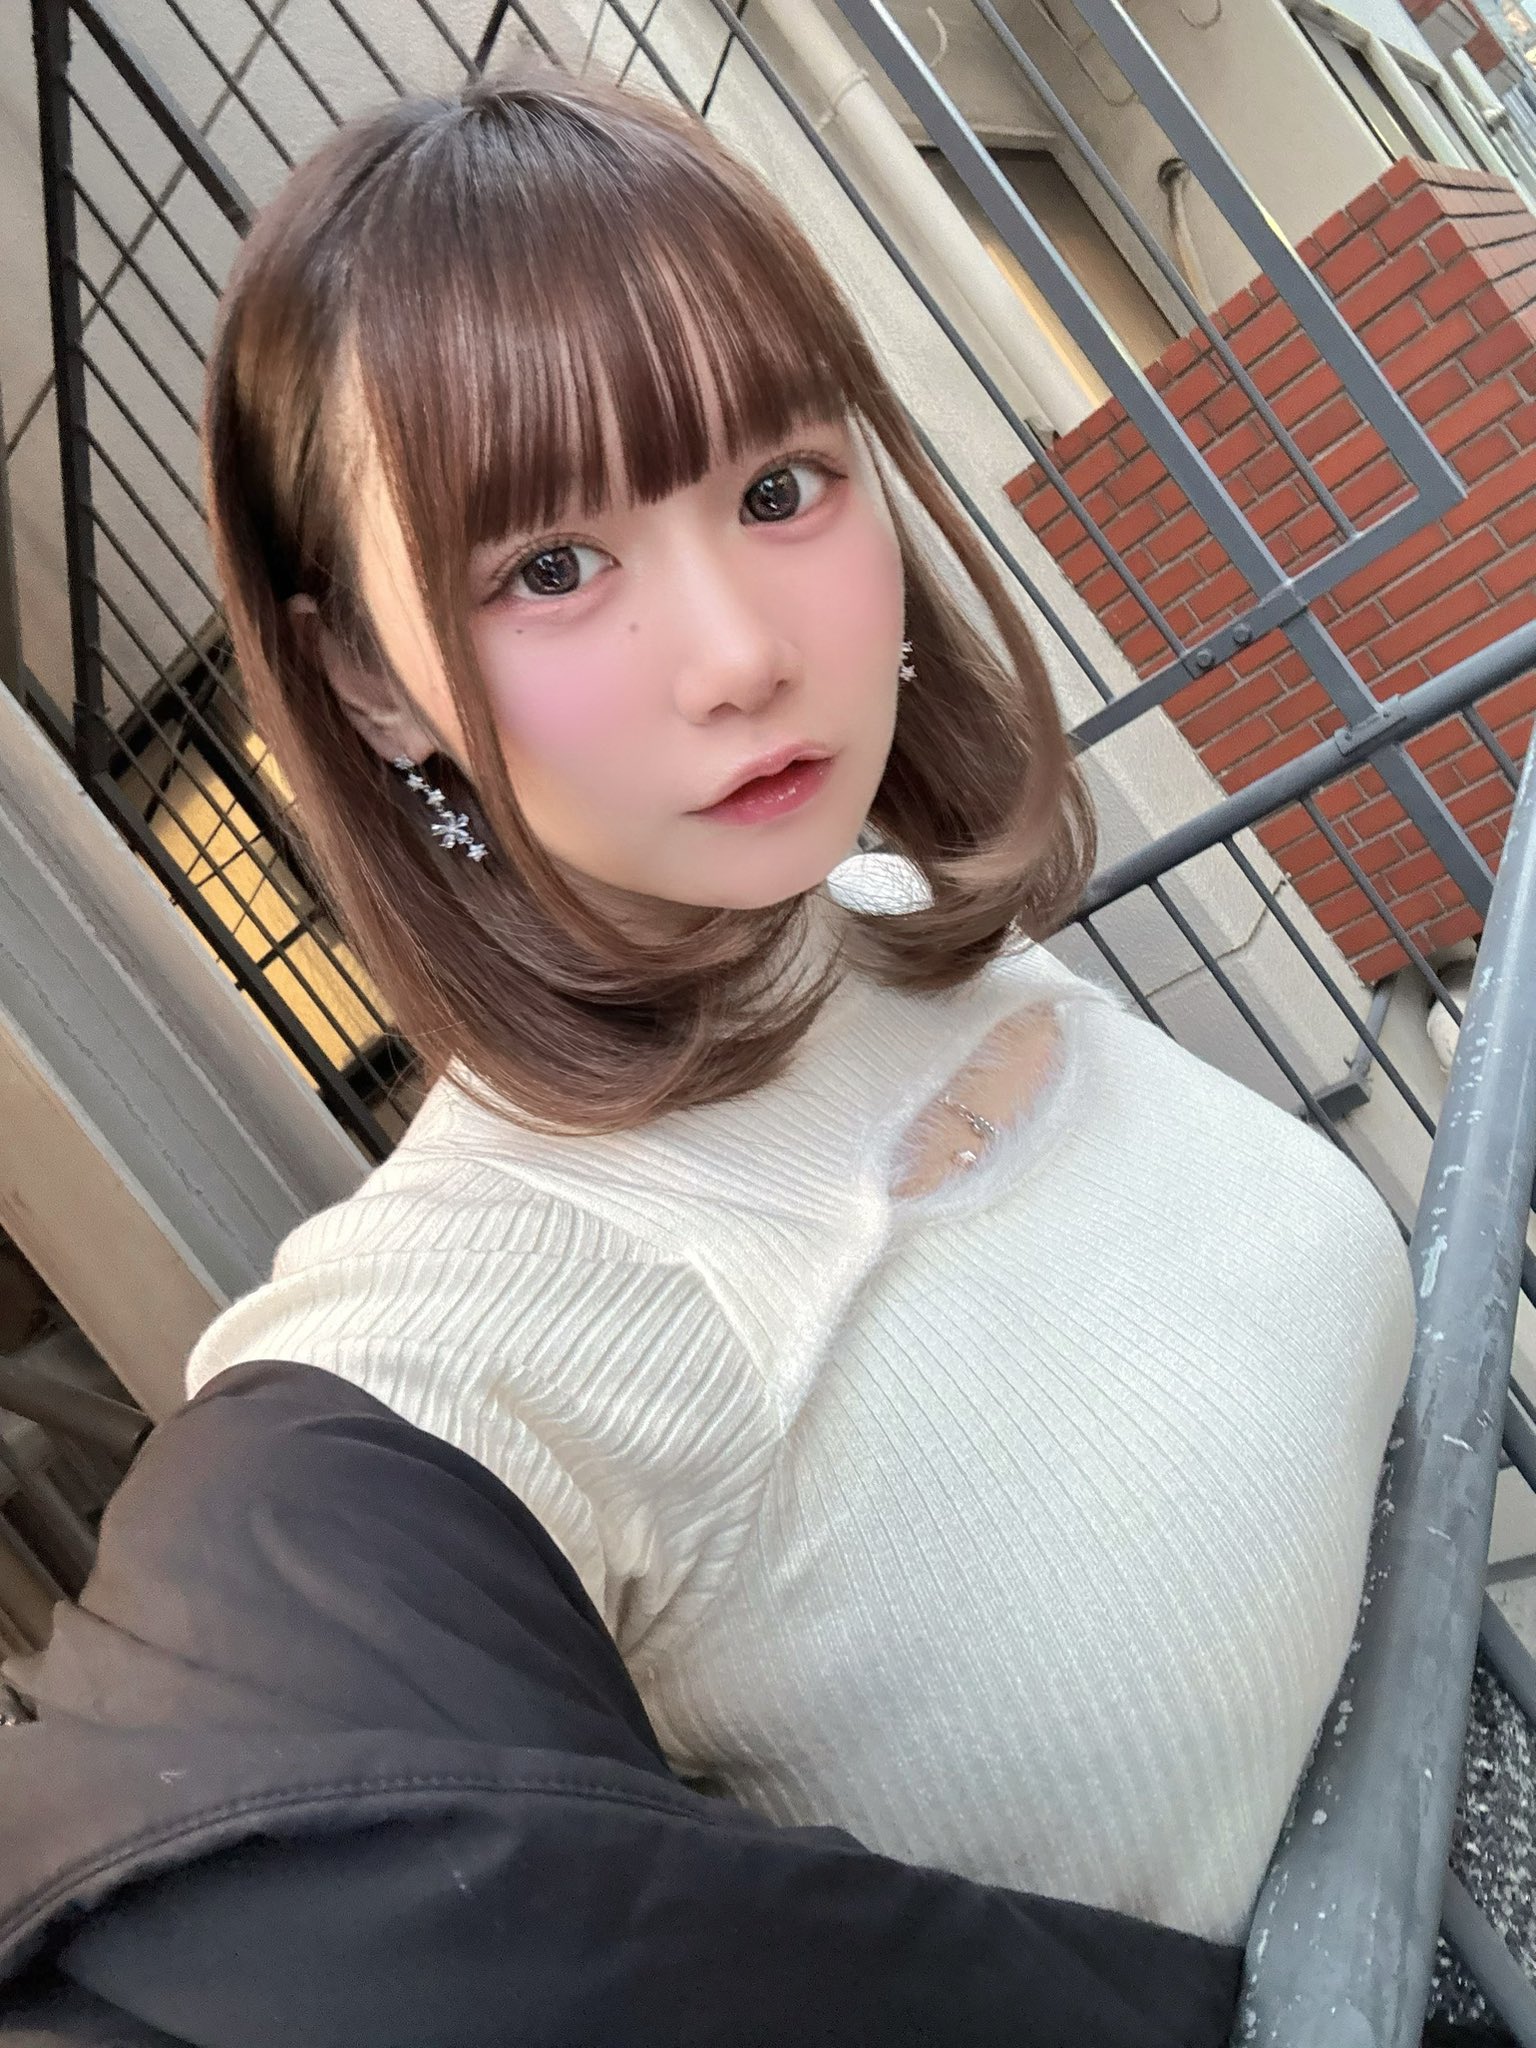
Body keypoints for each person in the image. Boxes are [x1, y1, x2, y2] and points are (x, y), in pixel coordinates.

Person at [0, 61, 1419, 2041]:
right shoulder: (466, 1319)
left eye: (778, 488)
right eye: (550, 568)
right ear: (370, 683)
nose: (744, 651)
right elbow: (192, 1877)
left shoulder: (892, 921)